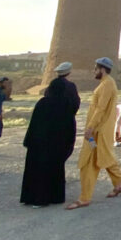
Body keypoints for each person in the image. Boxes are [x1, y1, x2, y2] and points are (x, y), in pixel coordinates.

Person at [67, 58, 121, 209]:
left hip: (98, 131)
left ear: (102, 69)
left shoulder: (107, 85)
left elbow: (101, 109)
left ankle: (84, 198)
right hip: (100, 130)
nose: (94, 71)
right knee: (104, 156)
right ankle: (119, 182)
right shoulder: (107, 83)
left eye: (96, 69)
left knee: (89, 162)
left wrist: (90, 128)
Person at [19, 77, 77, 207]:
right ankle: (55, 197)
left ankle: (35, 198)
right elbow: (70, 127)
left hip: (39, 145)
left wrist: (28, 141)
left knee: (38, 172)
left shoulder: (43, 103)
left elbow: (33, 124)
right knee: (55, 171)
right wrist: (68, 146)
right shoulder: (66, 104)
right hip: (57, 146)